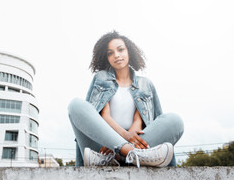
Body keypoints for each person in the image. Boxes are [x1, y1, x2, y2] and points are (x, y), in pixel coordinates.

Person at [68, 30, 184, 167]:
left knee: (174, 120)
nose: (116, 55)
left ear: (129, 52)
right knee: (75, 105)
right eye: (110, 53)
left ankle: (129, 155)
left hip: (139, 145)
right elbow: (103, 117)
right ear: (106, 58)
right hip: (103, 150)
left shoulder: (145, 84)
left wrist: (130, 139)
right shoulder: (102, 78)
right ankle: (127, 153)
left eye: (121, 50)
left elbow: (141, 121)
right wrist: (121, 141)